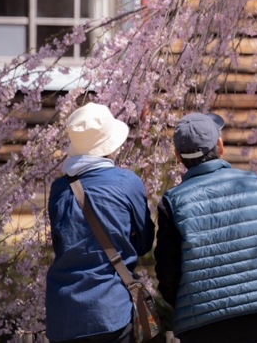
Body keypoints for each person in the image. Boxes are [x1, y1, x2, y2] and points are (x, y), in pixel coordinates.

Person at [154, 112, 257, 343]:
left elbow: (167, 272)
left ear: (177, 157)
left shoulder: (172, 202)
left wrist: (190, 305)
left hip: (202, 328)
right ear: (219, 146)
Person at [46, 102, 155, 343]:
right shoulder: (126, 182)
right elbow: (145, 240)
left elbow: (62, 244)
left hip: (64, 311)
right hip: (109, 307)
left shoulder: (59, 189)